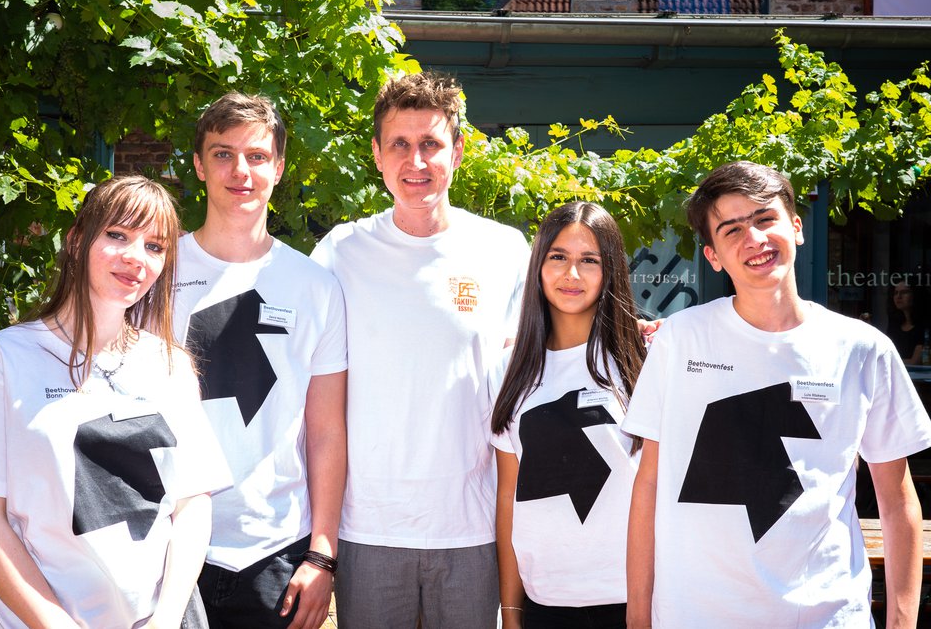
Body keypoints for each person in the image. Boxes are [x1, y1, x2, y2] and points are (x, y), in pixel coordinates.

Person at [623, 161, 931, 628]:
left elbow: (897, 500)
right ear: (712, 256)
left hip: (825, 615)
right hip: (695, 615)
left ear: (796, 226)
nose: (754, 239)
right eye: (732, 230)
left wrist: (903, 622)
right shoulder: (680, 338)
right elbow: (648, 484)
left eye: (765, 219)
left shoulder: (862, 350)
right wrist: (638, 617)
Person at [0, 175, 231, 628]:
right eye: (117, 235)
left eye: (155, 246)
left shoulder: (171, 366)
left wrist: (166, 620)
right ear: (75, 242)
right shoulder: (1, 359)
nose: (135, 258)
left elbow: (192, 504)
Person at [310, 71, 531, 628]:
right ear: (377, 156)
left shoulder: (504, 250)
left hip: (472, 528)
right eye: (400, 145)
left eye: (430, 144)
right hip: (368, 528)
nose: (416, 161)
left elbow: (541, 356)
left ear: (456, 151)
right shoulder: (340, 252)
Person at [172, 92, 347, 629]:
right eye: (223, 154)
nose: (239, 171)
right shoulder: (154, 272)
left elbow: (326, 432)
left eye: (256, 156)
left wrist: (322, 554)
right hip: (169, 541)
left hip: (275, 550)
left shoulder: (315, 286)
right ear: (199, 165)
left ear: (279, 167)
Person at [490, 201, 646, 629]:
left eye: (589, 260)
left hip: (631, 601)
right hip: (544, 603)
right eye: (558, 257)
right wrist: (511, 610)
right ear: (538, 265)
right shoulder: (505, 371)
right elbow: (508, 497)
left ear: (610, 269)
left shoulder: (646, 361)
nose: (571, 274)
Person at [887, 280, 927, 365]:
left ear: (915, 295)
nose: (898, 296)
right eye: (896, 293)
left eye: (904, 292)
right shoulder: (894, 326)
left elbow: (914, 362)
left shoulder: (924, 327)